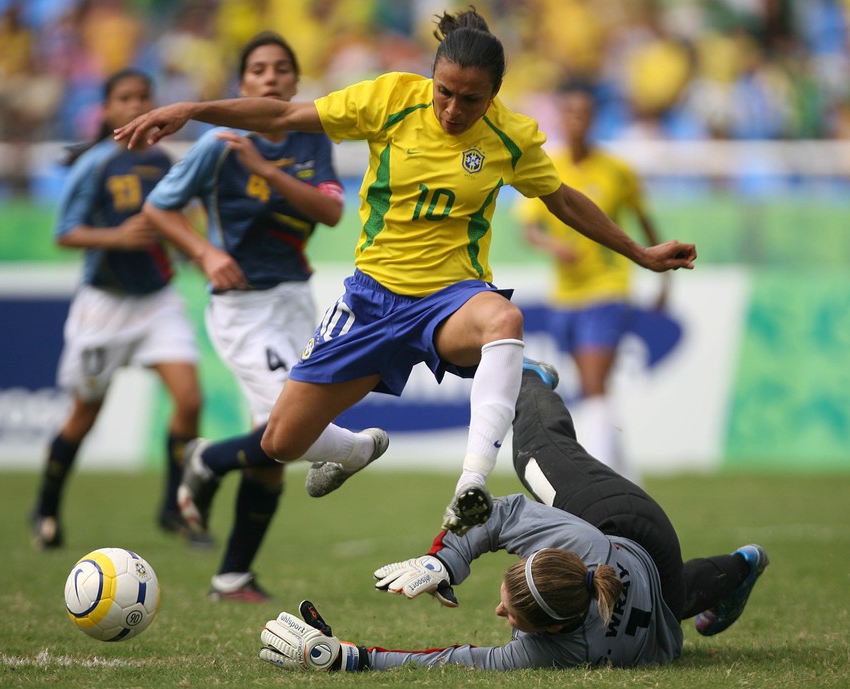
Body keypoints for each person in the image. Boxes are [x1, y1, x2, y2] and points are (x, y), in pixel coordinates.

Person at [115, 7, 696, 537]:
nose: (452, 110)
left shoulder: (510, 137)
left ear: (494, 94)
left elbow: (563, 199)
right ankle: (359, 448)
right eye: (445, 93)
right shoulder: (391, 99)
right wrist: (190, 110)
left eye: (470, 100)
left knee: (504, 315)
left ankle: (472, 481)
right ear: (432, 77)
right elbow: (284, 113)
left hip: (450, 299)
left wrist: (639, 254)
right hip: (371, 301)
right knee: (280, 440)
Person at [255, 358, 770, 672]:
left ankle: (527, 380)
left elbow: (457, 660)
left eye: (511, 613)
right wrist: (444, 560)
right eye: (510, 607)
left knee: (533, 456)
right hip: (627, 525)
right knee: (538, 463)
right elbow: (499, 514)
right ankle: (534, 386)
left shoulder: (567, 642)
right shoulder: (582, 551)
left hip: (650, 584)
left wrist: (350, 657)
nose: (500, 614)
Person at [142, 32, 345, 601]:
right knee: (294, 431)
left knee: (276, 451)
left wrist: (268, 169)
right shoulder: (220, 145)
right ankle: (205, 459)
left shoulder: (312, 139)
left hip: (296, 300)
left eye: (282, 68)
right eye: (258, 70)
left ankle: (231, 576)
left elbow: (329, 210)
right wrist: (205, 252)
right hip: (243, 307)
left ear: (296, 82)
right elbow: (158, 208)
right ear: (242, 84)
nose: (271, 78)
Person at [31, 68, 203, 549]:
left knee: (189, 400)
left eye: (144, 97)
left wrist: (200, 256)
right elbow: (65, 233)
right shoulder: (97, 164)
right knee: (84, 414)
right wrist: (117, 237)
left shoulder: (168, 162)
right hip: (104, 303)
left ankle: (174, 507)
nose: (135, 105)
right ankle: (46, 507)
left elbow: (181, 222)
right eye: (125, 98)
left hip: (157, 299)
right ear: (107, 110)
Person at [517, 85, 671, 482]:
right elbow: (529, 228)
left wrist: (663, 273)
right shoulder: (548, 167)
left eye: (584, 113)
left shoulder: (617, 171)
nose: (577, 121)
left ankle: (597, 482)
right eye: (570, 113)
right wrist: (555, 246)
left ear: (594, 119)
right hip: (565, 295)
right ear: (562, 119)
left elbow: (645, 220)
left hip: (608, 289)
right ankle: (629, 479)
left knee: (593, 384)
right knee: (594, 388)